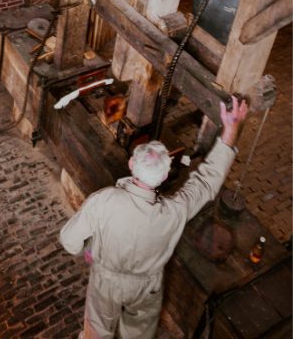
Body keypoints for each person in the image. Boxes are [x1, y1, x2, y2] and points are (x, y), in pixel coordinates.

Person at [59, 96, 250, 339]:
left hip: (105, 282)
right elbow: (206, 183)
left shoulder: (104, 201)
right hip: (147, 287)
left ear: (131, 164)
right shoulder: (174, 212)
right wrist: (231, 130)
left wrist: (90, 247)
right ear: (163, 177)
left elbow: (68, 240)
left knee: (96, 333)